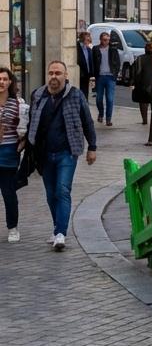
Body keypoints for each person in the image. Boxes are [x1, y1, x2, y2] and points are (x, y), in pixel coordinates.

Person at [26, 60, 97, 251]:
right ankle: (57, 227)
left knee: (62, 190)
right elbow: (32, 123)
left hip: (67, 152)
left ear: (66, 76)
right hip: (45, 154)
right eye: (51, 73)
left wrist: (93, 147)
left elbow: (87, 122)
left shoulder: (75, 95)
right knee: (50, 195)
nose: (54, 77)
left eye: (58, 73)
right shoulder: (38, 95)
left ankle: (60, 234)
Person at [0, 67, 29, 243]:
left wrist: (22, 144)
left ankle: (13, 228)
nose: (1, 82)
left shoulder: (17, 103)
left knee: (8, 192)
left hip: (9, 152)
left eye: (4, 79)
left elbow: (25, 128)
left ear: (10, 82)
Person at [132, 41, 152, 146]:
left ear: (144, 49)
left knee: (143, 102)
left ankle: (144, 119)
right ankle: (151, 140)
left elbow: (135, 72)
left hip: (142, 88)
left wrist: (133, 83)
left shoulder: (139, 59)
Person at [91, 30, 120, 127]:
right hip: (100, 77)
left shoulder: (113, 49)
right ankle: (101, 113)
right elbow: (93, 63)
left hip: (110, 77)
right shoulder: (95, 49)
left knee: (110, 99)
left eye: (108, 40)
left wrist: (115, 74)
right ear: (100, 40)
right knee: (99, 98)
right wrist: (93, 75)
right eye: (104, 40)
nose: (106, 42)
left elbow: (117, 63)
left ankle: (108, 119)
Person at [76, 31, 94, 96]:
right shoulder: (77, 48)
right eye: (87, 40)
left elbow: (90, 62)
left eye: (89, 40)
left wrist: (92, 74)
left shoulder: (88, 49)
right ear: (82, 39)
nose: (89, 42)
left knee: (85, 92)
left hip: (87, 75)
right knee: (80, 91)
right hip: (80, 74)